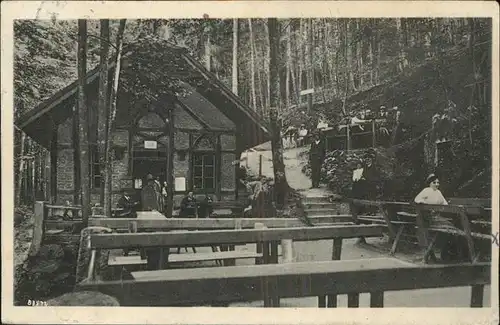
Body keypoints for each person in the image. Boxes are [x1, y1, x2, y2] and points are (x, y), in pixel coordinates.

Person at [414, 174, 466, 263]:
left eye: (438, 183)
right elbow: (417, 199)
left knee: (452, 226)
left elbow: (445, 204)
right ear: (430, 183)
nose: (437, 184)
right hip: (428, 219)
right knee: (453, 228)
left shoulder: (438, 192)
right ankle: (451, 254)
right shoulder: (426, 190)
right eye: (434, 182)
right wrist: (424, 204)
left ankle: (450, 254)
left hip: (435, 217)